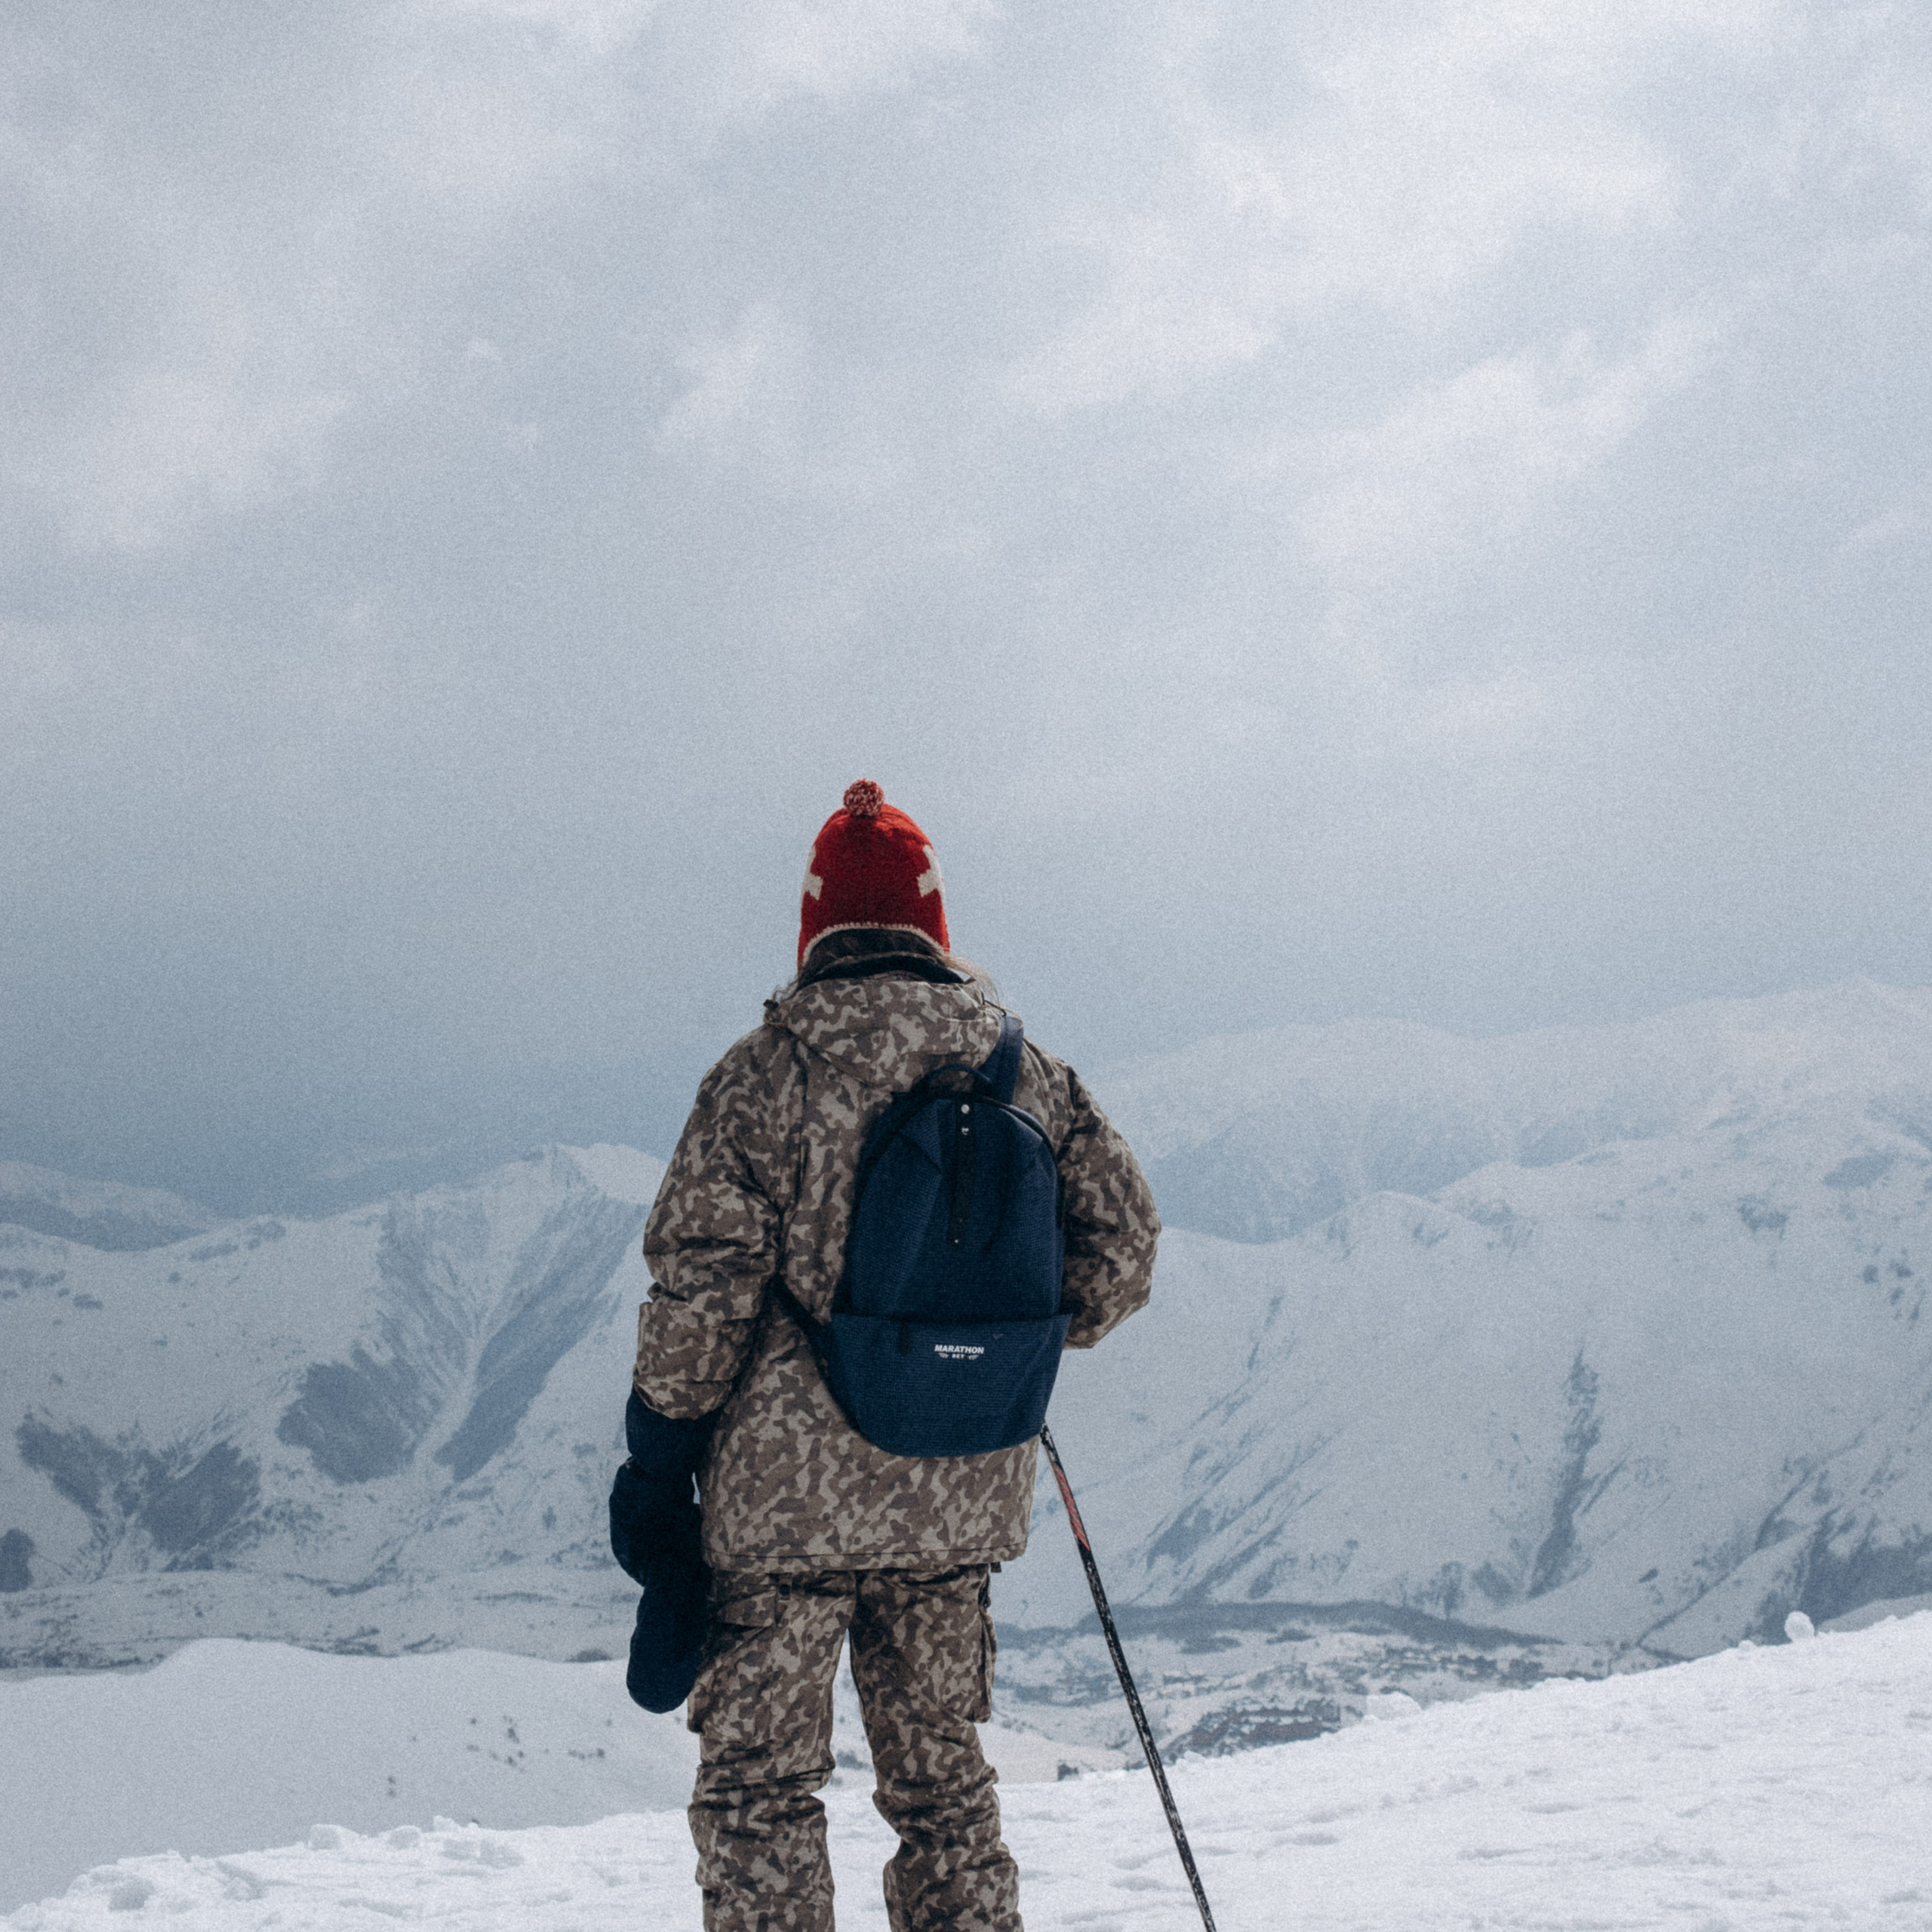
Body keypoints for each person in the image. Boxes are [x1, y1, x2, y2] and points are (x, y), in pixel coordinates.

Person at [627, 778, 1158, 1932]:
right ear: (935, 924)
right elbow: (1121, 1255)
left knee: (764, 1794)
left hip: (784, 1517)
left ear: (816, 927)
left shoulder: (764, 1076)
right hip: (957, 1496)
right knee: (945, 1791)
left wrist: (657, 1453)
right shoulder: (1030, 1073)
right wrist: (994, 1339)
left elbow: (701, 1292)